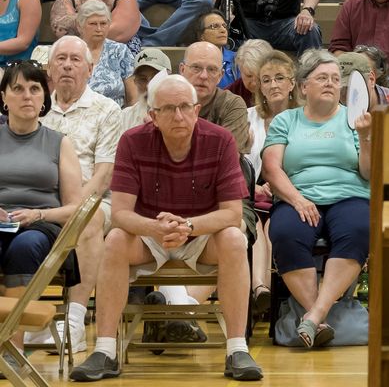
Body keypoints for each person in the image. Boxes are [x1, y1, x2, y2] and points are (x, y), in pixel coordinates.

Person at [68, 74, 259, 382]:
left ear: (197, 110)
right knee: (115, 239)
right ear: (153, 116)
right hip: (149, 234)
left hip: (201, 231)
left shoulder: (221, 140)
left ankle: (237, 349)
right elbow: (119, 214)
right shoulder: (132, 140)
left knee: (236, 238)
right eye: (169, 109)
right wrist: (155, 228)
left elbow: (232, 213)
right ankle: (104, 350)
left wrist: (189, 225)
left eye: (185, 107)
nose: (179, 115)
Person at [262, 50, 371, 350]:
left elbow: (369, 172)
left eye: (336, 79)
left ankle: (313, 317)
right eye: (322, 77)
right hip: (299, 197)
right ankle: (317, 320)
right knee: (284, 232)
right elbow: (272, 168)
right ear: (303, 86)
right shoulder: (287, 120)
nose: (330, 83)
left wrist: (365, 137)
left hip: (350, 196)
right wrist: (297, 200)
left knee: (359, 228)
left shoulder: (354, 119)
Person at [39, 36, 119, 352]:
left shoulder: (106, 109)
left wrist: (73, 206)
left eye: (75, 59)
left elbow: (104, 174)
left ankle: (75, 320)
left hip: (94, 201)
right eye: (61, 59)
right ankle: (26, 318)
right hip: (42, 201)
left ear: (90, 68)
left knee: (87, 218)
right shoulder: (38, 107)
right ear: (50, 68)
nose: (68, 65)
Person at [0, 61, 84, 357]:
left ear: (43, 99)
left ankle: (13, 346)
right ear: (3, 98)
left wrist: (37, 214)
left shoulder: (59, 143)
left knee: (24, 246)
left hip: (42, 224)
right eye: (18, 89)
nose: (27, 96)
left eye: (35, 89)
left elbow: (75, 207)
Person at [245, 50, 297, 315]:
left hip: (287, 196)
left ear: (292, 83)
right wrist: (252, 186)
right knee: (254, 227)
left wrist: (277, 187)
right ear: (260, 87)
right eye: (266, 80)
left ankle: (263, 293)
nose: (273, 85)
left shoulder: (304, 117)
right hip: (253, 196)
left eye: (279, 78)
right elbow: (237, 164)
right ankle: (261, 290)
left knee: (271, 229)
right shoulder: (247, 117)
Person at [179, 41, 251, 155]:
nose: (203, 76)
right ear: (182, 70)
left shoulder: (231, 104)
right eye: (196, 68)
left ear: (220, 76)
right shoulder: (166, 100)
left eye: (212, 69)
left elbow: (227, 158)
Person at [75, 0, 134, 107]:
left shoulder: (120, 51)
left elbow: (133, 98)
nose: (99, 29)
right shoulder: (70, 51)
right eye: (93, 24)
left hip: (116, 118)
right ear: (79, 26)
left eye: (103, 23)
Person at [194, 12, 237, 89]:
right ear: (201, 36)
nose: (223, 30)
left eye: (224, 26)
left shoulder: (238, 59)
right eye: (215, 26)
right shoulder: (192, 61)